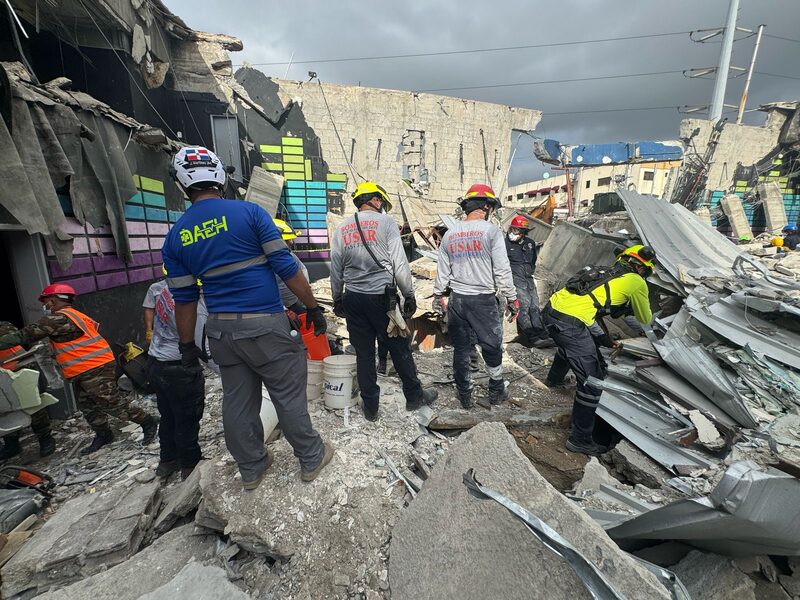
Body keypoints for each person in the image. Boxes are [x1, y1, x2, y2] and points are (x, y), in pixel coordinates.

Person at [162, 146, 332, 491]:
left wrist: (186, 346)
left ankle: (252, 468)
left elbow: (185, 300)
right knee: (287, 394)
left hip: (221, 332)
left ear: (182, 184)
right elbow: (285, 266)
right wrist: (312, 306)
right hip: (264, 325)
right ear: (220, 176)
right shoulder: (250, 213)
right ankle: (311, 457)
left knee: (238, 401)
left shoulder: (176, 236)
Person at [0, 285, 159, 454]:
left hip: (93, 366)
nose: (45, 306)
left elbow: (23, 336)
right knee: (88, 406)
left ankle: (147, 421)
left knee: (111, 403)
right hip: (84, 368)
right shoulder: (74, 315)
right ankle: (104, 434)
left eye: (46, 302)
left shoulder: (56, 319)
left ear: (53, 300)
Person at [330, 181, 437, 421]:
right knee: (399, 347)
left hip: (353, 298)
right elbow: (399, 264)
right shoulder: (386, 223)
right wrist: (408, 294)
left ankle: (371, 407)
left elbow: (336, 269)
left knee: (364, 354)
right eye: (382, 203)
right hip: (382, 299)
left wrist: (337, 298)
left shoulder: (342, 228)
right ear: (376, 200)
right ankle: (414, 396)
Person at [543, 245, 655, 456]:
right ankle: (580, 440)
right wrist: (651, 333)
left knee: (574, 346)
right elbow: (644, 318)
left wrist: (604, 338)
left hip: (551, 311)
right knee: (593, 381)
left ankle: (554, 379)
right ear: (643, 268)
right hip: (570, 323)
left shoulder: (605, 273)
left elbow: (597, 310)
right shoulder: (636, 282)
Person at [433, 183, 518, 408]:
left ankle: (465, 395)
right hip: (483, 300)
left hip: (458, 301)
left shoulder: (450, 234)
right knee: (491, 346)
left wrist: (438, 295)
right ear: (487, 207)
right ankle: (496, 390)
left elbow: (442, 272)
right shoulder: (491, 231)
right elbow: (502, 270)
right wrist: (512, 297)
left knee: (461, 348)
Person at [143, 268, 208, 480]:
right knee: (187, 418)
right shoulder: (190, 303)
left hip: (156, 362)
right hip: (179, 367)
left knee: (169, 414)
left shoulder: (165, 289)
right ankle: (190, 466)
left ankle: (167, 460)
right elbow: (201, 346)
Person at [0, 321, 55, 460]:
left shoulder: (3, 326)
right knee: (4, 410)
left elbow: (11, 333)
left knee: (33, 406)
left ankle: (45, 438)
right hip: (2, 376)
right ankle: (11, 444)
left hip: (19, 368)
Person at [504, 215, 550, 348]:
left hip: (528, 279)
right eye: (512, 229)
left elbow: (533, 261)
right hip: (515, 279)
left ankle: (542, 334)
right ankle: (532, 338)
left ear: (523, 232)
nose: (513, 232)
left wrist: (530, 273)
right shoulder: (505, 244)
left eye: (517, 230)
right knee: (524, 306)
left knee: (534, 307)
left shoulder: (529, 243)